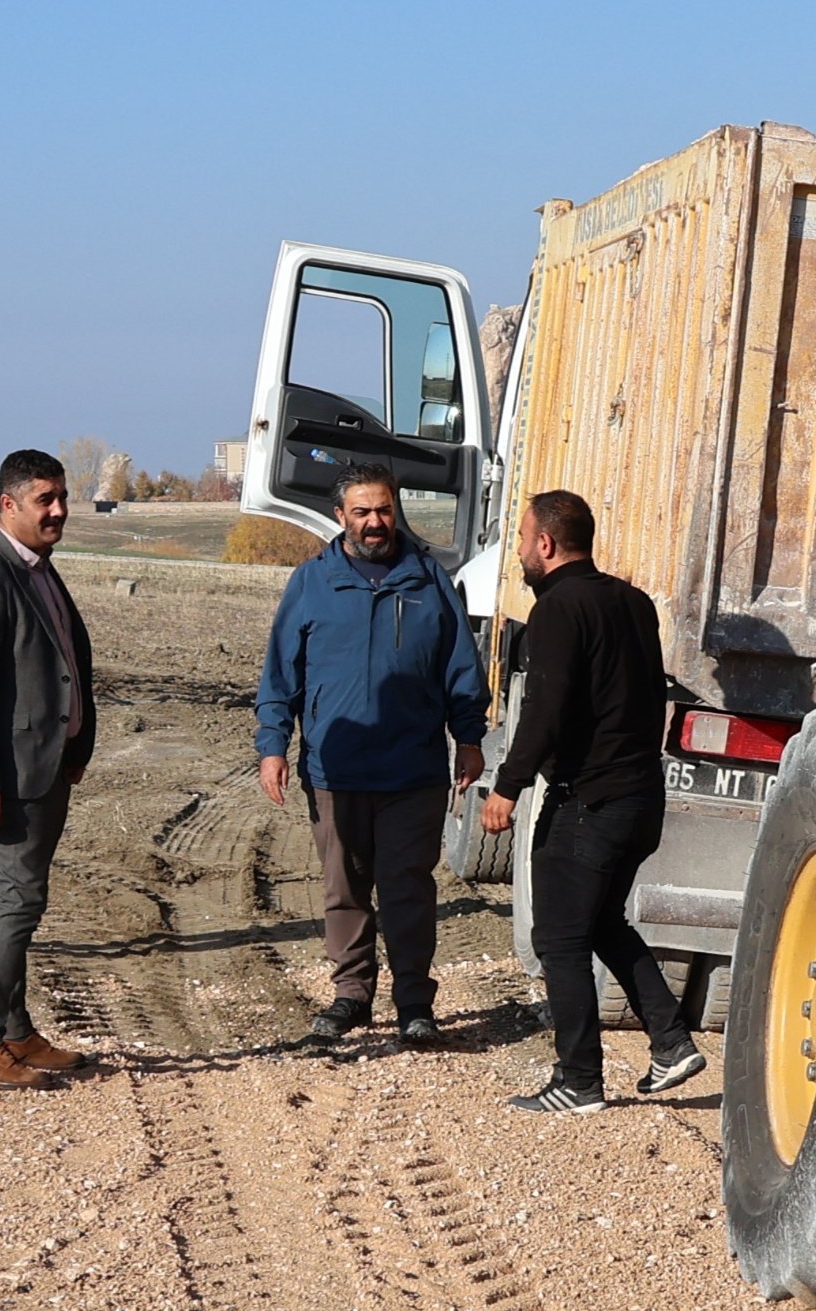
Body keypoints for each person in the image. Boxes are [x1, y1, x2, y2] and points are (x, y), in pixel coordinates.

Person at [481, 491, 705, 1114]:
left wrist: (508, 785)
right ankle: (670, 1042)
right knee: (602, 921)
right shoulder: (632, 603)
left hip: (589, 801)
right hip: (640, 797)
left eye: (524, 540)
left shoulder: (557, 610)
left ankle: (578, 1080)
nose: (521, 552)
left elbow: (545, 711)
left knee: (559, 938)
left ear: (547, 544)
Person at [257, 468, 489, 1046]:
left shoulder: (428, 580)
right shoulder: (313, 582)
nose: (374, 523)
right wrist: (272, 745)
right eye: (362, 512)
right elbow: (280, 672)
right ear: (341, 517)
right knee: (344, 888)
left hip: (413, 769)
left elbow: (461, 667)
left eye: (383, 510)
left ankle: (414, 1002)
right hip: (335, 770)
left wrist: (469, 738)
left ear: (396, 512)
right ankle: (352, 996)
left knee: (408, 887)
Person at [0, 449, 97, 1092]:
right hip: (9, 777)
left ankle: (13, 1030)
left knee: (13, 903)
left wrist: (75, 745)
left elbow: (62, 663)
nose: (59, 510)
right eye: (46, 499)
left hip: (47, 766)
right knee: (16, 903)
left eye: (62, 496)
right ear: (8, 505)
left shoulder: (37, 569)